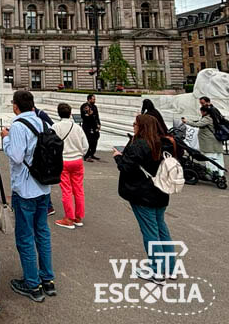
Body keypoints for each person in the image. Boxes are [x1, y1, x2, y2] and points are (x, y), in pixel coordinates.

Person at [1, 91, 55, 303]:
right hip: (43, 187)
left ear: (16, 106)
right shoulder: (43, 123)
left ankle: (33, 284)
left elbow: (16, 157)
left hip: (25, 189)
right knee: (42, 233)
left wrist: (5, 140)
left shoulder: (17, 126)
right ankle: (48, 280)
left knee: (25, 237)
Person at [113, 115, 175, 284]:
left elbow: (125, 167)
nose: (133, 126)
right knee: (161, 228)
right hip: (161, 191)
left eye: (135, 124)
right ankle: (170, 267)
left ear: (142, 127)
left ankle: (156, 271)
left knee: (150, 231)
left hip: (142, 193)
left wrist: (118, 156)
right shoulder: (163, 142)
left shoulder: (139, 145)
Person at [51, 104, 89, 230]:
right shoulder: (77, 127)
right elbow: (85, 145)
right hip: (77, 160)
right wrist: (80, 153)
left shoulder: (55, 127)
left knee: (66, 190)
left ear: (58, 113)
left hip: (64, 160)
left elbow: (51, 144)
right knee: (78, 189)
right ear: (70, 113)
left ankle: (69, 218)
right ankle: (78, 217)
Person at [182, 106, 226, 176]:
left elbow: (197, 124)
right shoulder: (215, 117)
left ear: (204, 112)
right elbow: (198, 121)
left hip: (209, 143)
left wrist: (186, 121)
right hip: (215, 142)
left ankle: (212, 173)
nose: (201, 113)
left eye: (201, 111)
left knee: (210, 158)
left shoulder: (207, 118)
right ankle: (220, 173)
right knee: (218, 158)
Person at [81, 94, 101, 162]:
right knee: (89, 141)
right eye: (93, 99)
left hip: (94, 126)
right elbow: (85, 116)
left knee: (95, 139)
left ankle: (92, 153)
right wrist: (89, 114)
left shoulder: (94, 107)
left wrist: (99, 124)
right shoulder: (85, 106)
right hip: (88, 126)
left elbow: (97, 116)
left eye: (94, 99)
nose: (94, 100)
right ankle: (86, 156)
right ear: (89, 99)